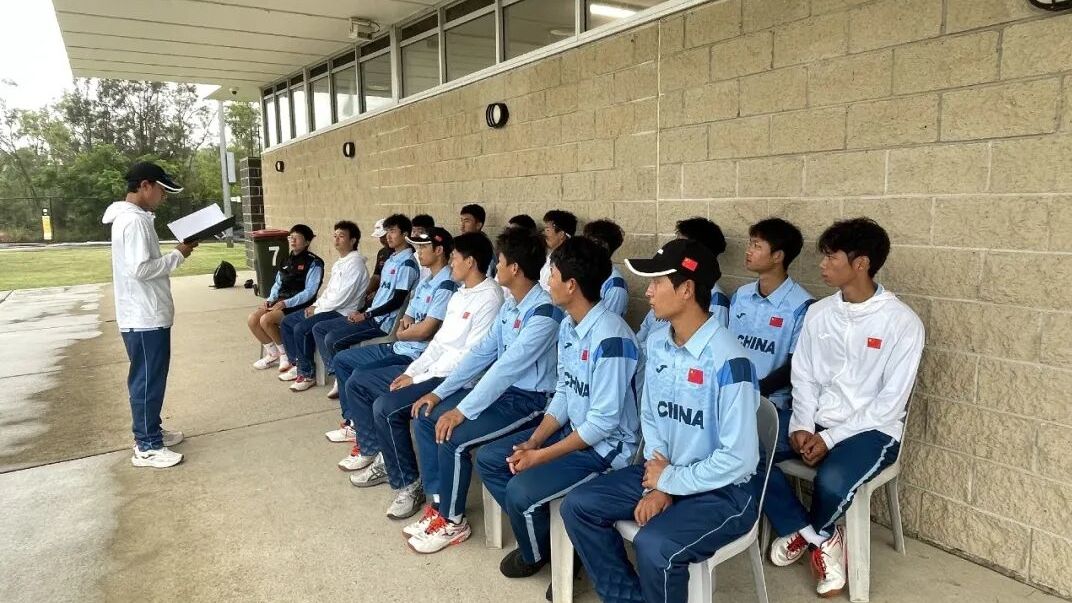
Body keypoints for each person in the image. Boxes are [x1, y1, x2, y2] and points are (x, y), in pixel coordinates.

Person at [561, 239, 763, 603]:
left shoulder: (731, 362)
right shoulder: (657, 343)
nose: (648, 292)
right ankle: (625, 598)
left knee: (655, 546)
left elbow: (739, 459)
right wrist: (661, 479)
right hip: (664, 469)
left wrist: (669, 483)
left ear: (687, 290)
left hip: (725, 491)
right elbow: (651, 416)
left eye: (657, 282)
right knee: (579, 505)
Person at [764, 218, 924, 598]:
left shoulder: (903, 323)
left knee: (832, 481)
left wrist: (830, 438)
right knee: (743, 446)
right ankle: (816, 535)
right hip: (815, 420)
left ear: (861, 263)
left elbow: (890, 404)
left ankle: (813, 533)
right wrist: (801, 424)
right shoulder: (820, 313)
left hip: (872, 430)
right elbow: (804, 376)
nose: (822, 264)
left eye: (831, 257)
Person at [476, 236, 640, 597]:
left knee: (520, 488)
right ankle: (547, 547)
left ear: (572, 285)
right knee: (492, 460)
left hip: (607, 451)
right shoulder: (569, 325)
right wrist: (534, 440)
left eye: (552, 275)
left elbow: (603, 423)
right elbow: (565, 392)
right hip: (574, 431)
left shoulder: (612, 339)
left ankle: (556, 551)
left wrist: (541, 456)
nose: (546, 281)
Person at [404, 226, 563, 554]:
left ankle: (453, 521)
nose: (496, 267)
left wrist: (461, 410)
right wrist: (440, 393)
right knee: (428, 416)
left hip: (531, 401)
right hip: (505, 393)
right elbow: (482, 353)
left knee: (453, 437)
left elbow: (507, 368)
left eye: (500, 262)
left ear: (514, 268)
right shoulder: (511, 305)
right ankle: (440, 504)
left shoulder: (544, 313)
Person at [345, 232, 503, 520]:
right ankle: (380, 454)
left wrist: (418, 379)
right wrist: (412, 371)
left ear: (470, 262)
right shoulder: (460, 294)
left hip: (457, 379)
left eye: (455, 258)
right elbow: (439, 343)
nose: (451, 263)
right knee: (359, 382)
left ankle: (409, 485)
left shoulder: (490, 297)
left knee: (387, 408)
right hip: (430, 370)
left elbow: (469, 357)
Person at [327, 227, 456, 468]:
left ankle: (370, 446)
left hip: (416, 356)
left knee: (359, 378)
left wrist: (406, 332)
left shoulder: (447, 285)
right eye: (417, 247)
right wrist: (407, 330)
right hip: (401, 345)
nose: (418, 252)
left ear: (439, 250)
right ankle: (355, 424)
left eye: (423, 247)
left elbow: (427, 330)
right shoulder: (427, 280)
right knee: (343, 360)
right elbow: (409, 316)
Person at [102, 161, 197, 468]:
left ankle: (151, 431)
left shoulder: (135, 219)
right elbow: (141, 269)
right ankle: (147, 446)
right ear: (145, 186)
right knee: (146, 380)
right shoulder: (133, 221)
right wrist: (178, 255)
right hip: (143, 316)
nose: (164, 196)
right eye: (162, 190)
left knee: (152, 377)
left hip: (146, 314)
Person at [298, 214, 418, 394]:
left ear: (405, 234)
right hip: (371, 314)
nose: (388, 236)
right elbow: (382, 293)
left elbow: (397, 301)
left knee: (332, 338)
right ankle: (338, 374)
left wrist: (366, 314)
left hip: (381, 322)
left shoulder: (407, 264)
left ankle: (342, 378)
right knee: (319, 329)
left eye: (393, 231)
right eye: (387, 231)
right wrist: (365, 309)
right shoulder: (391, 258)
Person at [634, 217, 729, 393]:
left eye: (680, 242)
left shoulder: (727, 357)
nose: (648, 292)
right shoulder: (657, 340)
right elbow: (643, 334)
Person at [728, 218, 813, 412]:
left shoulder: (802, 306)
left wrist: (756, 390)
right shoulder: (741, 295)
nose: (748, 251)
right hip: (731, 395)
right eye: (750, 244)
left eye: (757, 246)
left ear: (778, 256)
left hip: (772, 404)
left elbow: (796, 365)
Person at [278, 221, 369, 383]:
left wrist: (318, 310)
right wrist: (316, 305)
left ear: (353, 240)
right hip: (327, 308)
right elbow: (329, 291)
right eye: (335, 236)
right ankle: (298, 364)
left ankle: (307, 374)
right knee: (287, 322)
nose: (336, 239)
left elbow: (343, 297)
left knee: (301, 328)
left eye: (341, 236)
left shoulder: (355, 264)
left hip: (342, 311)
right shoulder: (340, 262)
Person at [249, 224, 324, 370]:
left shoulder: (314, 263)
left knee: (266, 320)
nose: (292, 240)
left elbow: (310, 291)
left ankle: (285, 355)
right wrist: (270, 299)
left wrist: (286, 303)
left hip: (299, 304)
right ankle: (273, 354)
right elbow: (278, 284)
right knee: (253, 319)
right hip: (280, 301)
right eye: (291, 237)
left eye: (297, 238)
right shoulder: (285, 260)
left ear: (307, 242)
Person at [581, 218, 629, 317]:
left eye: (590, 243)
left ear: (605, 248)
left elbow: (608, 322)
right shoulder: (584, 272)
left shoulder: (615, 286)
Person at [539, 210, 577, 291]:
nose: (544, 234)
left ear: (561, 234)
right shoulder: (550, 256)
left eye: (547, 230)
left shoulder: (569, 260)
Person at [366, 218, 393, 307]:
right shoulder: (382, 252)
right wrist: (366, 292)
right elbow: (376, 276)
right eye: (380, 237)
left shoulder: (404, 253)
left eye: (384, 236)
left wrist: (378, 293)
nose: (382, 240)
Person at [412, 214, 437, 282]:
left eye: (420, 232)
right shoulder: (414, 255)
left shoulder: (433, 255)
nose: (415, 235)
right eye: (413, 231)